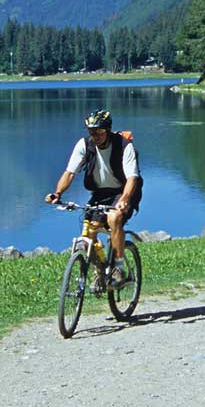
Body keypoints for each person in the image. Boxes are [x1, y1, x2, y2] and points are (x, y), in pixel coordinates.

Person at [46, 109, 142, 280]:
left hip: (124, 191)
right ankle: (99, 271)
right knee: (90, 229)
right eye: (91, 132)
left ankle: (119, 267)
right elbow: (70, 173)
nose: (95, 136)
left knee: (114, 218)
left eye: (99, 132)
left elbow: (132, 178)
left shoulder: (123, 145)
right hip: (101, 193)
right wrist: (57, 193)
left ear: (108, 130)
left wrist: (125, 199)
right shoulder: (84, 145)